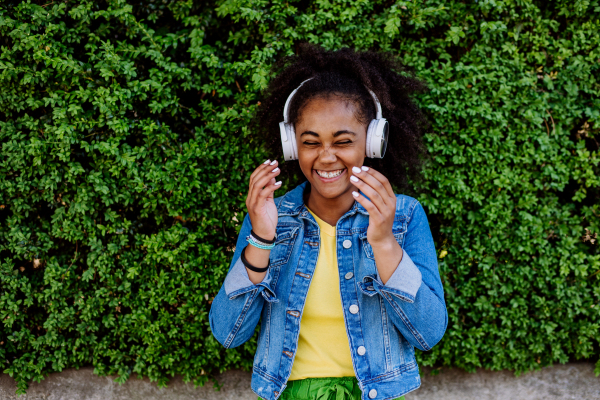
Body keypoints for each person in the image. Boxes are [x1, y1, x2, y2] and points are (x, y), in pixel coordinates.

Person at [209, 44, 448, 400]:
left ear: (373, 140)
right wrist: (261, 237)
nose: (325, 156)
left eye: (343, 141)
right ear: (292, 146)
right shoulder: (270, 219)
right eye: (310, 142)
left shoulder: (405, 216)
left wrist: (384, 242)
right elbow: (228, 332)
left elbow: (427, 333)